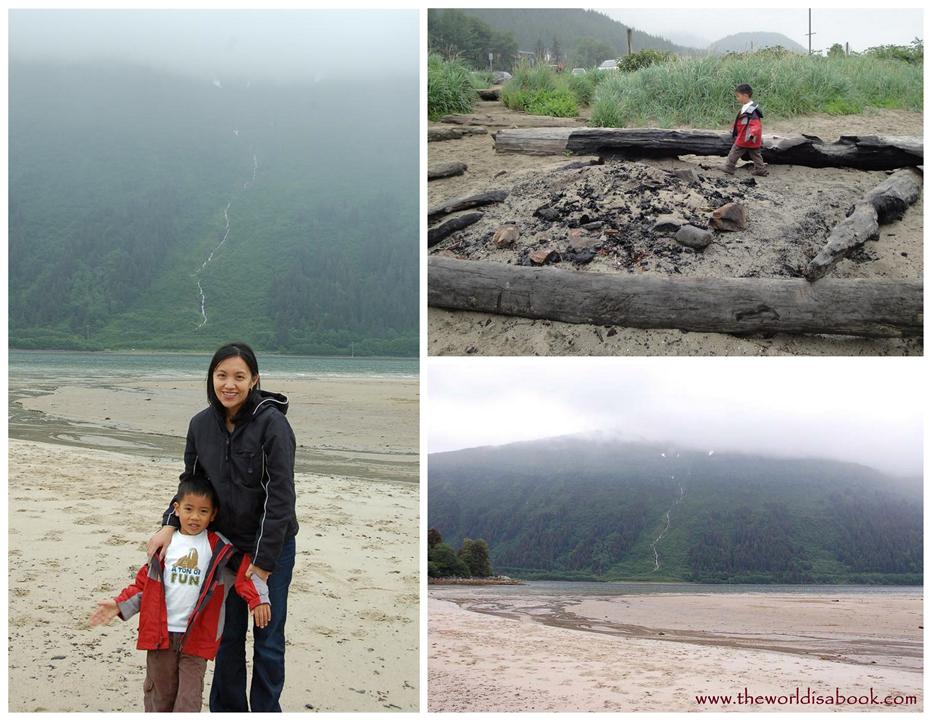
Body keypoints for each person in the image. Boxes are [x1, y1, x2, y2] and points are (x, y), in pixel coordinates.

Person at [146, 342, 298, 712]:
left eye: (239, 377)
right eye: (222, 376)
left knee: (268, 637)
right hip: (223, 551)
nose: (229, 384)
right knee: (226, 637)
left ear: (254, 380)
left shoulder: (273, 426)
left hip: (271, 550)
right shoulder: (200, 424)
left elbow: (280, 499)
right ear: (211, 378)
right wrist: (169, 524)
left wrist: (261, 568)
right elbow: (191, 483)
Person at [90, 477, 271, 713]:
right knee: (160, 698)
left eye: (203, 511)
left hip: (196, 639)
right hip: (160, 636)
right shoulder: (165, 544)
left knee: (189, 701)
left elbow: (245, 573)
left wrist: (258, 600)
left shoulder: (218, 546)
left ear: (213, 515)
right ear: (176, 509)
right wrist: (119, 604)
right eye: (188, 509)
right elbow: (145, 585)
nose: (195, 517)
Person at [724, 83, 769, 177]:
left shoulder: (752, 110)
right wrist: (734, 128)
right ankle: (761, 170)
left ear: (745, 95)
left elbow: (755, 125)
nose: (737, 98)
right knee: (756, 154)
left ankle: (729, 167)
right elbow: (741, 121)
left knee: (734, 152)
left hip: (746, 138)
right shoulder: (748, 108)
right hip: (752, 139)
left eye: (738, 96)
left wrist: (751, 134)